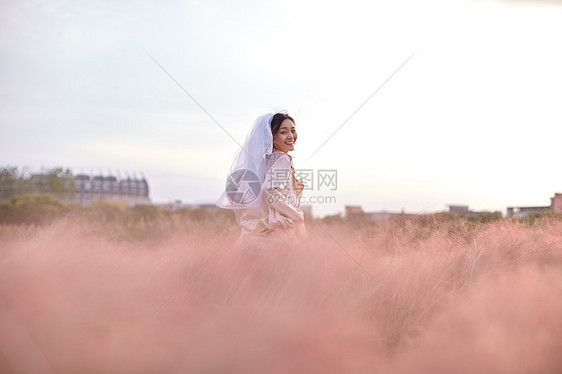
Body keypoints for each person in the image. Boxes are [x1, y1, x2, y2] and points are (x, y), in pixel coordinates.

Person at [216, 112, 307, 250]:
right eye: (284, 132)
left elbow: (236, 192)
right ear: (272, 136)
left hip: (250, 235)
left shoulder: (259, 163)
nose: (291, 136)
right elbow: (269, 189)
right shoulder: (283, 159)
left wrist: (242, 220)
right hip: (275, 234)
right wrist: (295, 215)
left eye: (293, 130)